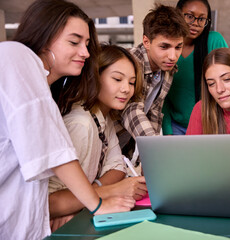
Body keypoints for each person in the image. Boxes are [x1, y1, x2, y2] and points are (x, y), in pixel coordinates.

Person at [0, 0, 134, 239]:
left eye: (86, 44)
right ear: (43, 35)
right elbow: (54, 150)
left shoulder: (47, 90)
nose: (85, 52)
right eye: (74, 42)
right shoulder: (15, 54)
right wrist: (97, 203)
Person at [48, 45, 147, 231]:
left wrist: (93, 189)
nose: (126, 89)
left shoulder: (103, 117)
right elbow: (50, 202)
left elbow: (117, 168)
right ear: (94, 78)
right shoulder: (81, 123)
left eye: (132, 82)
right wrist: (114, 190)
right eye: (117, 79)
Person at [115, 4, 189, 162]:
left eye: (178, 47)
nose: (173, 56)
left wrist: (145, 161)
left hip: (126, 144)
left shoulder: (168, 70)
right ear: (146, 42)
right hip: (104, 138)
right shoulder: (130, 62)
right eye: (164, 46)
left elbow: (154, 114)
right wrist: (156, 151)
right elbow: (131, 109)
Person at [162, 0, 228, 135]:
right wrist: (168, 132)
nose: (196, 23)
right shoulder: (168, 49)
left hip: (211, 124)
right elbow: (163, 97)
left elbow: (229, 82)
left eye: (201, 19)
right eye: (190, 16)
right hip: (177, 127)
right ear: (178, 14)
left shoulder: (214, 40)